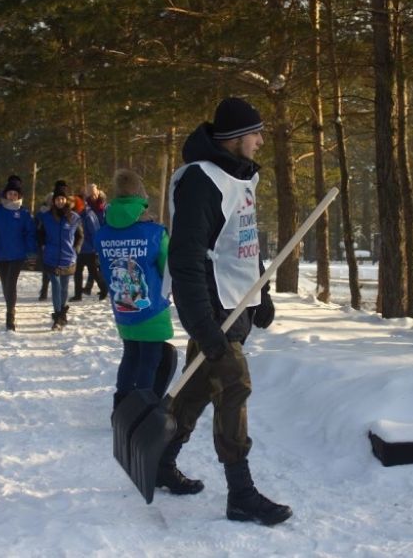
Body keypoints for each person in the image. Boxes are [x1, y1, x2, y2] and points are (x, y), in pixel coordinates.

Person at [162, 97, 290, 526]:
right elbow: (185, 258)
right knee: (233, 388)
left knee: (198, 385)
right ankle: (241, 493)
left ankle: (162, 458)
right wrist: (201, 322)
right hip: (214, 308)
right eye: (256, 132)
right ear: (235, 138)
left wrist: (262, 293)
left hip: (238, 301)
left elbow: (242, 241)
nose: (260, 140)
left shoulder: (240, 177)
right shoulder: (201, 180)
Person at [95, 169, 173, 411]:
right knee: (150, 360)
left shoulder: (102, 233)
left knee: (130, 356)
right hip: (151, 306)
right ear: (140, 194)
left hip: (122, 304)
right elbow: (168, 266)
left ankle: (121, 406)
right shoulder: (154, 232)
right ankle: (143, 410)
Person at [0, 175, 37, 331]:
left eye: (15, 194)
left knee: (10, 283)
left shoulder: (24, 213)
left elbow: (30, 234)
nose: (12, 196)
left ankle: (10, 315)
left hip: (18, 255)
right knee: (5, 284)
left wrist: (31, 253)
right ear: (5, 194)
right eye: (10, 193)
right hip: (0, 255)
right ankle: (10, 308)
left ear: (19, 196)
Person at [36, 181, 83, 330]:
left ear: (66, 200)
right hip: (51, 257)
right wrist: (43, 246)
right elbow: (40, 233)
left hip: (68, 258)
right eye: (57, 199)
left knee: (64, 288)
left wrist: (76, 249)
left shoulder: (74, 217)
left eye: (62, 199)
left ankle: (62, 312)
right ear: (53, 201)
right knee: (55, 285)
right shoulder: (47, 217)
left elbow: (80, 235)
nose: (60, 201)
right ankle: (57, 315)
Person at [73, 198, 108, 301]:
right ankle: (77, 294)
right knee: (77, 272)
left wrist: (96, 248)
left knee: (93, 272)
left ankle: (104, 289)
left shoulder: (88, 216)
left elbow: (94, 233)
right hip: (80, 249)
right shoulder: (79, 216)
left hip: (90, 249)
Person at [83, 183, 107, 295]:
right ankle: (89, 286)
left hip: (103, 236)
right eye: (90, 194)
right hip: (90, 238)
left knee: (101, 265)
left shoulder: (104, 206)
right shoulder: (86, 206)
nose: (93, 197)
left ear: (98, 192)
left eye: (94, 194)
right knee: (92, 264)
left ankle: (104, 285)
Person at [35, 193, 52, 301]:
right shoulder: (41, 213)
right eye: (49, 199)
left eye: (53, 199)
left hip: (56, 244)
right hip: (44, 244)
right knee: (46, 269)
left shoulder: (59, 213)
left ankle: (57, 290)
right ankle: (44, 291)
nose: (51, 201)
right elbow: (37, 229)